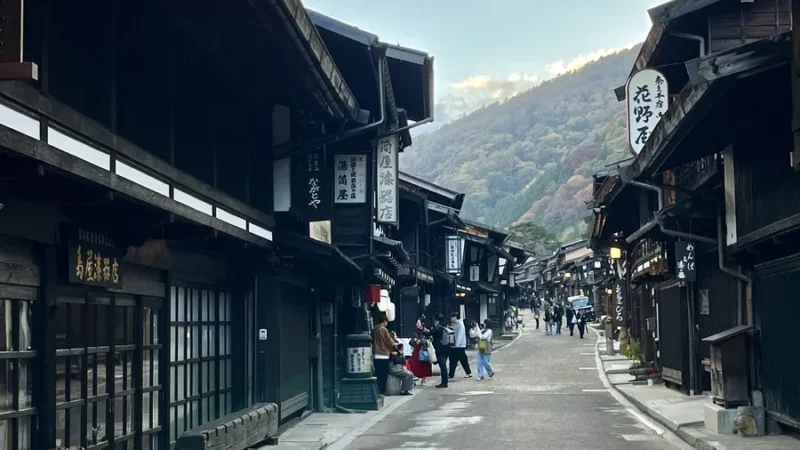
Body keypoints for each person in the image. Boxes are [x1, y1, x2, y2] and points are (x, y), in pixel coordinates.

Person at [372, 313, 397, 396]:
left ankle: (377, 390)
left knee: (378, 374)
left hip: (376, 353)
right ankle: (382, 391)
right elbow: (388, 341)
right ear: (385, 321)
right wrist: (396, 347)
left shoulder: (374, 329)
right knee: (383, 375)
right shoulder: (383, 329)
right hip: (382, 354)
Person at [448, 312, 472, 379]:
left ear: (455, 317)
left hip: (460, 345)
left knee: (463, 360)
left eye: (452, 317)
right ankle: (451, 374)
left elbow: (461, 335)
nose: (451, 319)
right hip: (454, 345)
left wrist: (457, 344)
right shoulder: (453, 324)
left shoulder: (460, 324)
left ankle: (468, 372)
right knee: (453, 360)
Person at [408, 319, 433, 385]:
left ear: (422, 323)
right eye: (416, 323)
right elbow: (411, 341)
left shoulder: (427, 331)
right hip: (416, 349)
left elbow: (430, 340)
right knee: (414, 364)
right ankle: (414, 379)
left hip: (424, 350)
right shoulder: (415, 331)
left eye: (418, 323)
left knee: (424, 365)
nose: (417, 324)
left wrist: (421, 341)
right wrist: (414, 341)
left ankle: (423, 380)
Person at [430, 314, 451, 388]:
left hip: (440, 349)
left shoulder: (438, 328)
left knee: (443, 366)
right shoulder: (446, 326)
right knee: (443, 365)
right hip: (447, 348)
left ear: (437, 321)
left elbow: (429, 333)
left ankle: (444, 383)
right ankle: (444, 382)